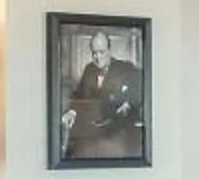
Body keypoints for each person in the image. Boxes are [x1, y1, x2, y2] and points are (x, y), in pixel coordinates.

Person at [61, 30, 146, 161]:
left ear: (109, 51)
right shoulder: (89, 69)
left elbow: (141, 87)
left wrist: (128, 103)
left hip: (116, 134)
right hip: (92, 132)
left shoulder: (125, 68)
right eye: (94, 53)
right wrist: (72, 111)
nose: (97, 57)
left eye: (101, 52)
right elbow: (79, 95)